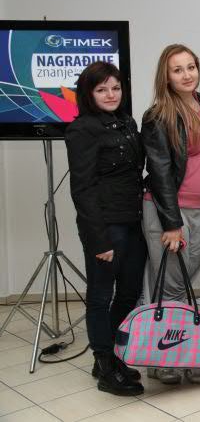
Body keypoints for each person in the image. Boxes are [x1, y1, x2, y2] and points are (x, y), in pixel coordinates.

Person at [65, 62, 146, 396]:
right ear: (89, 93)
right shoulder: (81, 130)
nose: (111, 94)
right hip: (105, 226)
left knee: (129, 292)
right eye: (102, 89)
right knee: (100, 296)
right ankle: (104, 367)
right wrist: (99, 239)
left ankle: (112, 355)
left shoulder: (127, 121)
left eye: (115, 87)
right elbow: (82, 189)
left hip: (133, 220)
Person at [141, 44, 200, 385]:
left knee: (186, 281)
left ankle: (182, 352)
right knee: (170, 286)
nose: (187, 75)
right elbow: (159, 172)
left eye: (191, 67)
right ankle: (163, 359)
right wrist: (171, 224)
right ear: (166, 77)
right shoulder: (157, 116)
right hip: (169, 211)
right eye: (177, 69)